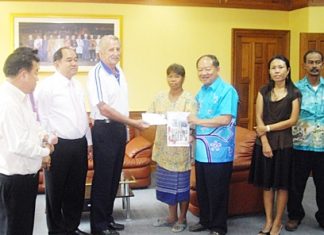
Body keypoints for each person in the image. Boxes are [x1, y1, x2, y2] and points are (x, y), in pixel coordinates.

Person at [87, 35, 148, 235]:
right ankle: (98, 226)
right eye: (110, 50)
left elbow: (121, 104)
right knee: (103, 179)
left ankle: (108, 218)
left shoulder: (119, 71)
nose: (115, 53)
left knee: (114, 178)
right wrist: (132, 123)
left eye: (117, 49)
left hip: (119, 129)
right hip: (104, 129)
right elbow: (103, 108)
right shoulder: (96, 73)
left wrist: (127, 126)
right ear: (100, 53)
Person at [36, 47, 92, 235]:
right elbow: (42, 118)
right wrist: (46, 145)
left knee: (76, 190)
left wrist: (88, 141)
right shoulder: (47, 86)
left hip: (79, 144)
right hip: (58, 146)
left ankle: (71, 227)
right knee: (55, 192)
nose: (74, 63)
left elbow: (82, 114)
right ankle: (56, 231)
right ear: (56, 63)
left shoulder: (76, 84)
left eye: (76, 59)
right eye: (69, 60)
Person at [0, 47, 52, 235]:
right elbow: (18, 144)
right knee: (13, 229)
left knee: (22, 228)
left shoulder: (20, 98)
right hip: (14, 180)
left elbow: (32, 127)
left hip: (25, 178)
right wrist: (46, 153)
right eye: (36, 72)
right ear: (23, 74)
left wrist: (44, 137)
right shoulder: (7, 102)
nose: (37, 78)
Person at [248, 55, 301, 235]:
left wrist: (268, 128)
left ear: (287, 70)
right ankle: (269, 221)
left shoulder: (294, 92)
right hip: (264, 143)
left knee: (282, 185)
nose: (277, 71)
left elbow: (292, 120)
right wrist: (264, 141)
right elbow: (258, 117)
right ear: (269, 71)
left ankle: (278, 221)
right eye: (273, 68)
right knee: (267, 184)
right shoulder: (263, 91)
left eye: (280, 67)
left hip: (284, 144)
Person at [188, 54, 239, 235]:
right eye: (200, 69)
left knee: (218, 191)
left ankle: (218, 227)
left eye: (208, 69)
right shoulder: (200, 92)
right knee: (203, 189)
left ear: (218, 69)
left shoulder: (227, 91)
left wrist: (197, 120)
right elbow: (195, 120)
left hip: (219, 153)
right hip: (201, 151)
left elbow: (225, 119)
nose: (204, 73)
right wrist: (192, 132)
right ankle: (206, 220)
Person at [149, 64, 197, 233]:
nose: (173, 80)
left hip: (180, 151)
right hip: (163, 149)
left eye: (176, 77)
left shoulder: (190, 99)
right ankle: (171, 217)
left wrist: (190, 131)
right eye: (170, 76)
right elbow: (151, 115)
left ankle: (182, 219)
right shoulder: (160, 97)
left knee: (181, 187)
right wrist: (153, 118)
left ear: (183, 78)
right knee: (168, 186)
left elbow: (193, 122)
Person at [285, 50, 324, 231]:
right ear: (304, 65)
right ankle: (295, 215)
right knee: (296, 183)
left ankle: (322, 217)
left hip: (323, 146)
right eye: (311, 62)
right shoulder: (295, 89)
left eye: (318, 62)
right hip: (301, 144)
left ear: (322, 64)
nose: (314, 65)